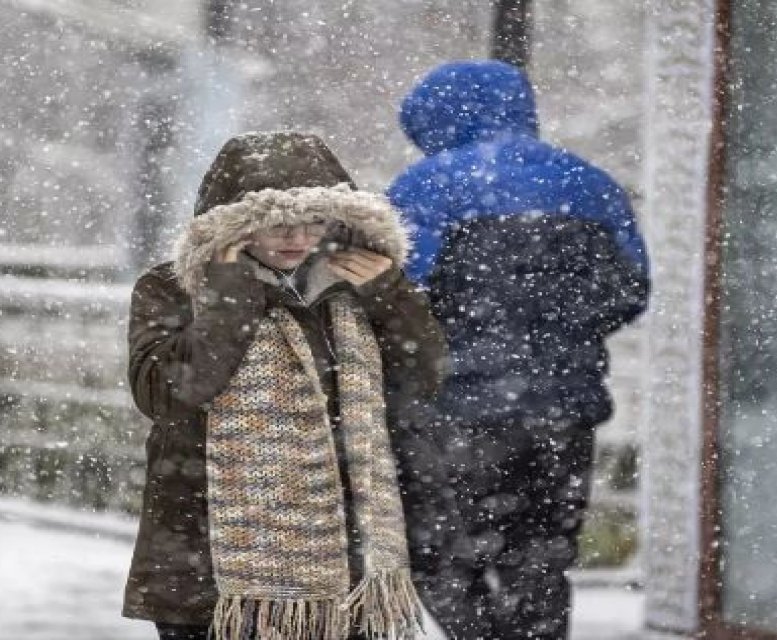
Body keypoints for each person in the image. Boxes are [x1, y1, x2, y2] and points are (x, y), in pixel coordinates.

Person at [122, 131, 447, 640]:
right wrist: (232, 297)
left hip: (343, 565)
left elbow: (424, 379)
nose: (297, 238)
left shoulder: (355, 287)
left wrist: (391, 296)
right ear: (232, 227)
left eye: (314, 221)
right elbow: (169, 395)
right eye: (276, 223)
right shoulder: (172, 289)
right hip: (208, 565)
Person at [388, 60, 650, 640]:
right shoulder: (593, 185)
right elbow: (629, 292)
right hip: (565, 409)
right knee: (540, 558)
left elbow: (401, 297)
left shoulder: (424, 188)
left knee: (439, 555)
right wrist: (554, 341)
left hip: (457, 412)